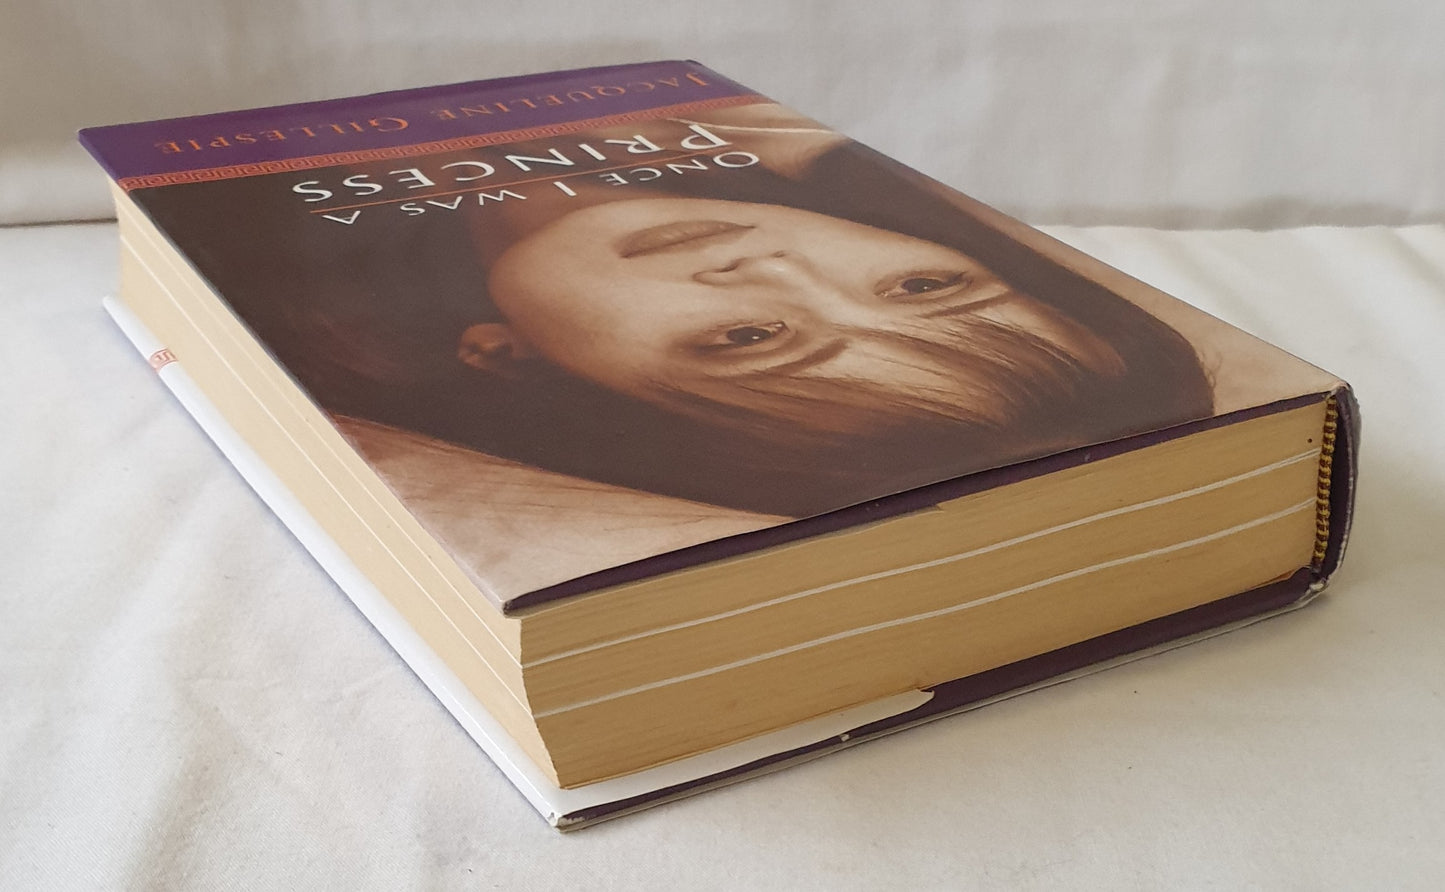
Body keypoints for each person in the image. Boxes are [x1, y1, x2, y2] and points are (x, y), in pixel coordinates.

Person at [152, 116, 1215, 518]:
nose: (771, 269)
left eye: (747, 341)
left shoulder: (252, 242)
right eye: (922, 289)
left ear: (509, 361)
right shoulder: (750, 134)